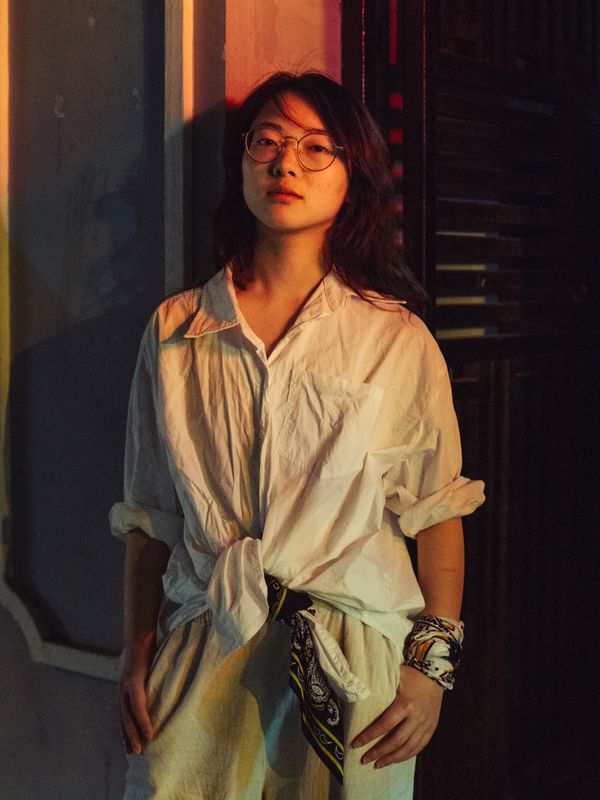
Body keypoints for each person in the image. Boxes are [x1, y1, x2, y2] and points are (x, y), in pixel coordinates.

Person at [110, 71, 485, 800]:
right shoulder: (177, 329)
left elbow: (437, 512)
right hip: (206, 640)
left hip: (352, 658)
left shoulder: (394, 338)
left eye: (317, 147)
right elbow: (150, 514)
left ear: (354, 176)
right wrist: (134, 653)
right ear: (242, 163)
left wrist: (430, 671)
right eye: (268, 142)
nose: (287, 163)